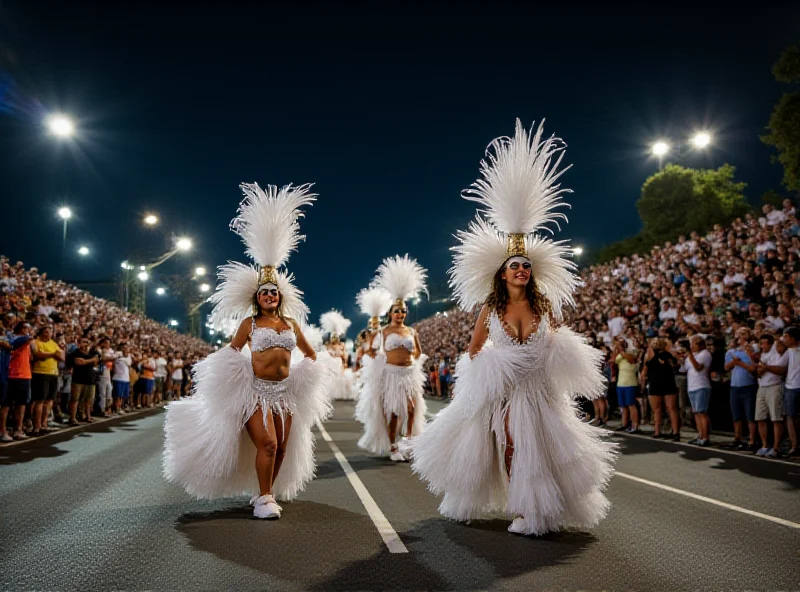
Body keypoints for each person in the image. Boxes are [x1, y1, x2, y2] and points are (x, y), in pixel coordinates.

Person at [412, 120, 616, 536]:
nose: (521, 269)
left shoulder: (546, 307)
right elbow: (472, 350)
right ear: (502, 275)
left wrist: (560, 358)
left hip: (541, 391)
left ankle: (539, 508)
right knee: (510, 443)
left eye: (525, 266)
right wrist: (492, 368)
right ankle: (522, 508)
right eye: (514, 266)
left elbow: (560, 344)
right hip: (506, 392)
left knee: (541, 451)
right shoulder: (489, 307)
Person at [163, 182, 332, 519]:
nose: (269, 295)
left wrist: (302, 375)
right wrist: (237, 379)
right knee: (267, 444)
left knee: (282, 448)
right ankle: (267, 497)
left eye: (274, 291)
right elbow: (230, 354)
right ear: (257, 297)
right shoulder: (250, 325)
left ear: (280, 296)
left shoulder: (291, 326)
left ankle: (261, 493)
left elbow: (311, 356)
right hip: (255, 393)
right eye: (264, 292)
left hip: (285, 393)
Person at [357, 254, 428, 462]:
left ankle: (407, 440)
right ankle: (392, 445)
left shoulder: (412, 332)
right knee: (394, 413)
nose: (401, 314)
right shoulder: (384, 332)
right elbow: (370, 350)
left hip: (409, 374)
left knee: (412, 409)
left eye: (403, 311)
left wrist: (414, 361)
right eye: (397, 311)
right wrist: (377, 358)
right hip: (391, 375)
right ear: (390, 313)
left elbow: (417, 351)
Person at [723, 327, 759, 451]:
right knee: (736, 415)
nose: (740, 336)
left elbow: (753, 368)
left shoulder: (752, 349)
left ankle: (752, 440)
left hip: (748, 386)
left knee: (750, 415)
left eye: (743, 333)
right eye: (739, 333)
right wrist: (734, 362)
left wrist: (739, 363)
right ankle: (737, 438)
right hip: (735, 386)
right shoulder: (731, 352)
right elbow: (727, 368)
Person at [640, 338, 680, 440]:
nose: (655, 345)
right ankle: (659, 431)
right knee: (659, 409)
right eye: (654, 344)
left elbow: (675, 364)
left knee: (669, 408)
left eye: (657, 344)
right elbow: (644, 372)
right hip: (657, 384)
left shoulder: (667, 355)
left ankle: (673, 432)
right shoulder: (650, 357)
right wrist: (643, 384)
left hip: (666, 384)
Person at [754, 333, 786, 458]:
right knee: (760, 418)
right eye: (761, 343)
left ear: (771, 343)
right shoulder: (762, 354)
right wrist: (759, 371)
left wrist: (766, 368)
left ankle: (776, 447)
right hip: (761, 387)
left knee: (776, 418)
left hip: (775, 386)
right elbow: (759, 370)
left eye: (764, 343)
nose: (762, 346)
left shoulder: (777, 352)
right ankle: (765, 445)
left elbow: (781, 369)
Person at [1, 322, 34, 440]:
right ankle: (4, 430)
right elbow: (28, 339)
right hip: (13, 375)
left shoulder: (18, 340)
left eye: (28, 328)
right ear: (20, 328)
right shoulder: (15, 338)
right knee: (7, 404)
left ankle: (17, 430)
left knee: (20, 404)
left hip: (24, 375)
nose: (28, 330)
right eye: (26, 327)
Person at [678, 336, 713, 446]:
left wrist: (689, 354)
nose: (692, 346)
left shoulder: (705, 354)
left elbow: (698, 367)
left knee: (702, 412)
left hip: (701, 386)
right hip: (691, 386)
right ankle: (700, 435)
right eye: (691, 344)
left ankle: (706, 437)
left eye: (694, 344)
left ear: (700, 345)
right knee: (696, 413)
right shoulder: (691, 355)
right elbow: (683, 369)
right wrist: (681, 360)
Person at [30, 326, 64, 435]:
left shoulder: (53, 343)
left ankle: (44, 424)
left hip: (53, 373)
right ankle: (37, 426)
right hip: (40, 373)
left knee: (49, 400)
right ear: (40, 333)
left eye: (49, 332)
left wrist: (49, 354)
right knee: (39, 400)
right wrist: (53, 354)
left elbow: (62, 357)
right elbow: (38, 355)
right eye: (45, 332)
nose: (48, 334)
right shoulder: (35, 342)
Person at [67, 337, 99, 425]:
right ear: (79, 343)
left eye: (87, 342)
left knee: (89, 400)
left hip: (90, 380)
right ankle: (72, 418)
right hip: (78, 380)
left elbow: (96, 362)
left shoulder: (91, 352)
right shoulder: (75, 353)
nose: (86, 344)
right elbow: (80, 362)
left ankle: (87, 416)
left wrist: (88, 360)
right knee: (75, 399)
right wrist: (92, 360)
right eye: (84, 342)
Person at [613, 337, 640, 433]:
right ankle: (624, 424)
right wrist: (616, 350)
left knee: (631, 405)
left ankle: (635, 425)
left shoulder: (632, 352)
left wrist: (621, 351)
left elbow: (631, 360)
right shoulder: (619, 354)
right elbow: (613, 360)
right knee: (623, 406)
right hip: (621, 383)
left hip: (630, 383)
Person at [780, 326, 800, 457]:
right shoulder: (788, 352)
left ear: (793, 338)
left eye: (786, 337)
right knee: (790, 417)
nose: (783, 339)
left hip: (796, 388)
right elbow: (780, 367)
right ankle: (794, 446)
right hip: (790, 388)